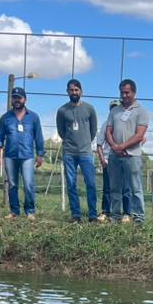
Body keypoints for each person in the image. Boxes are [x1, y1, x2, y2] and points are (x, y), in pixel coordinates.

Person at [0, 86, 44, 219]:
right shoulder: (5, 118)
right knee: (12, 184)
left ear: (25, 99)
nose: (17, 100)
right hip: (10, 156)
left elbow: (38, 136)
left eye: (19, 98)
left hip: (27, 156)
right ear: (12, 99)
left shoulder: (33, 117)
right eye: (14, 97)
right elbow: (0, 137)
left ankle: (30, 211)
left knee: (28, 184)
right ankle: (14, 212)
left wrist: (40, 154)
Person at [104, 80, 150, 224]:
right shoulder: (114, 111)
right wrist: (114, 146)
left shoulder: (141, 111)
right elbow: (108, 131)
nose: (124, 95)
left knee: (135, 188)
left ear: (134, 92)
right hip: (114, 156)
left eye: (127, 92)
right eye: (122, 92)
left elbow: (139, 135)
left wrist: (122, 146)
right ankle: (115, 216)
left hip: (132, 156)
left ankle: (138, 218)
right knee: (115, 188)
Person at [57, 79, 98, 223]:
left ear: (81, 91)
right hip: (69, 152)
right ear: (67, 92)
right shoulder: (62, 111)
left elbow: (93, 131)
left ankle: (93, 215)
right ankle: (76, 215)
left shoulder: (89, 109)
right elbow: (61, 131)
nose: (74, 92)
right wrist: (70, 142)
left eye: (76, 90)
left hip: (86, 152)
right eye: (71, 90)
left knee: (91, 184)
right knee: (71, 184)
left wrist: (85, 142)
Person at [94, 99, 121, 222]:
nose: (114, 110)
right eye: (112, 108)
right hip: (108, 160)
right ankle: (106, 211)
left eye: (116, 107)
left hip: (121, 160)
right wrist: (102, 159)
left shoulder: (124, 124)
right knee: (107, 188)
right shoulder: (105, 124)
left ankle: (120, 213)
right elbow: (99, 144)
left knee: (122, 188)